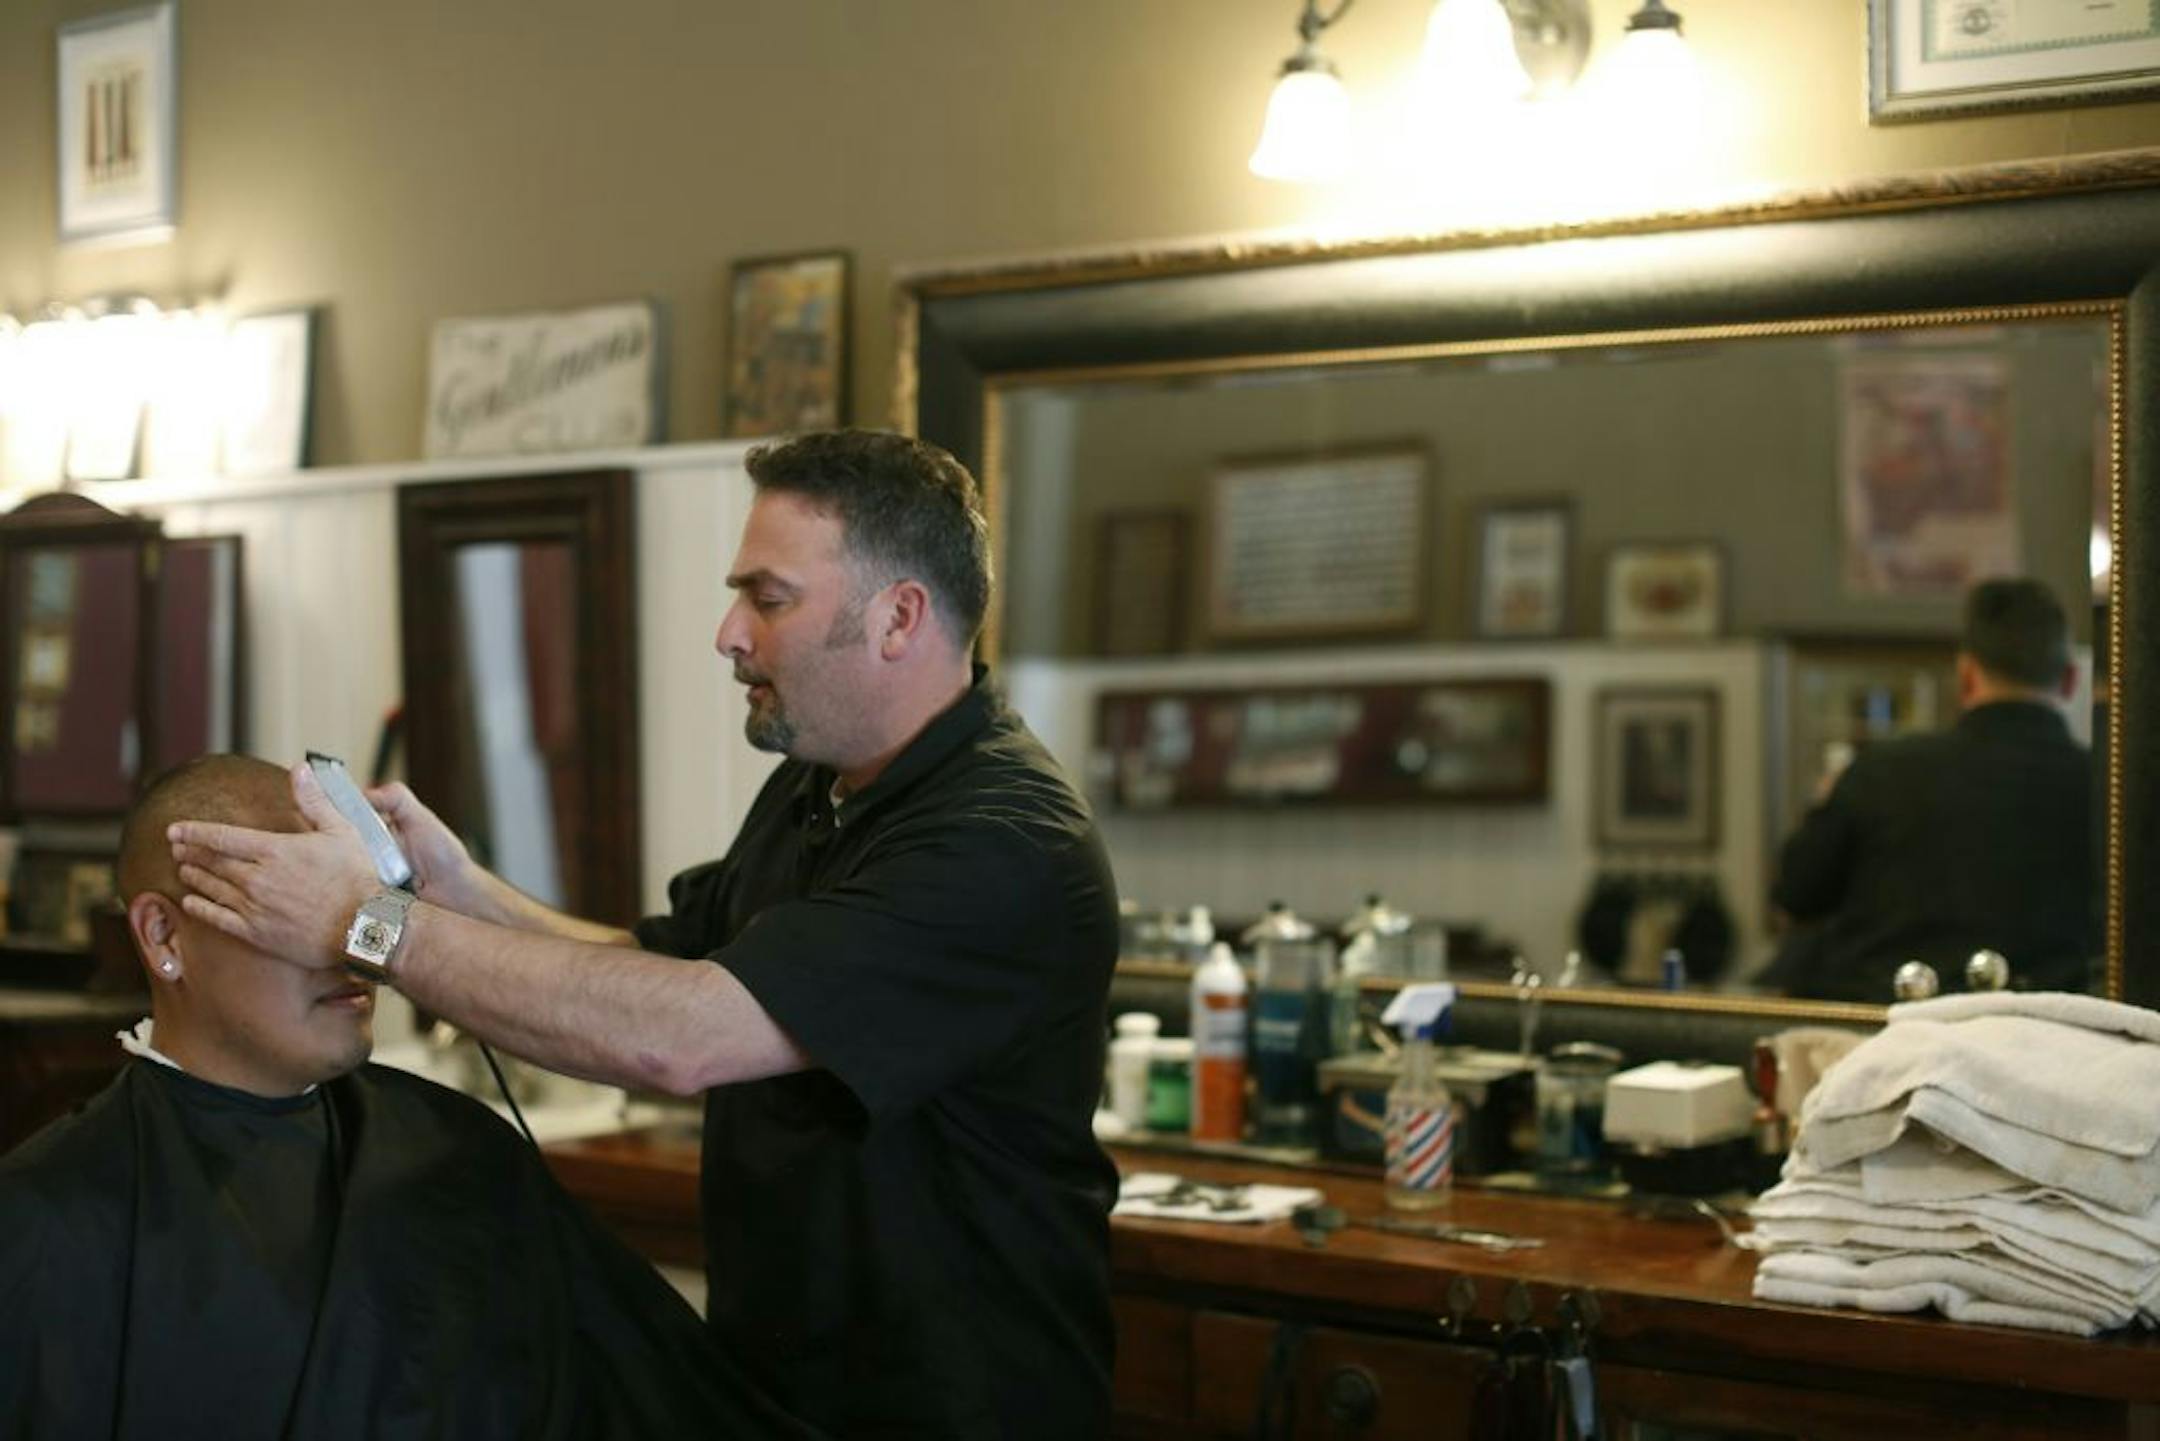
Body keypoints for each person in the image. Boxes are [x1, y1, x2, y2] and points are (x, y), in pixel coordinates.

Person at [167, 430, 1124, 1440]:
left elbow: (684, 1036)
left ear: (899, 616)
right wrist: (453, 890)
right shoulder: (818, 789)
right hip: (780, 1388)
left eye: (770, 597)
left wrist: (360, 924)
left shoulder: (1002, 845)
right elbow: (654, 968)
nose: (729, 632)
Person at [0, 753, 819, 1441]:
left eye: (354, 904)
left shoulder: (457, 1152)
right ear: (163, 935)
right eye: (294, 905)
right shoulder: (44, 1219)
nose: (354, 952)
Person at [1766, 577, 2099, 1003]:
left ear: (1965, 677)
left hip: (1881, 1035)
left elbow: (1794, 897)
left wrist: (1826, 802)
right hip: (2053, 1044)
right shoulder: (2110, 790)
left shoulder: (1878, 771)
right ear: (2071, 680)